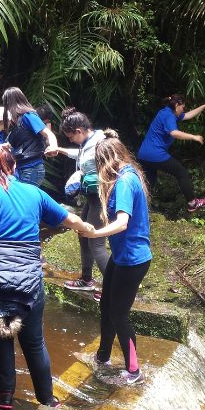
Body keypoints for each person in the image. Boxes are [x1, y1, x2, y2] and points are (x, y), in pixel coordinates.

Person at [0, 144, 92, 409]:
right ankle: (47, 399)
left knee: (1, 334)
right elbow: (70, 220)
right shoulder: (34, 192)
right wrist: (88, 227)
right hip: (27, 280)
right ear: (15, 167)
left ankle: (4, 395)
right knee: (34, 342)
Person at [80, 137, 152, 385]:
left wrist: (94, 233)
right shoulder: (129, 174)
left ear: (105, 161)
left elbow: (122, 223)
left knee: (119, 314)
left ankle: (134, 371)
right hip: (122, 257)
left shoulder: (124, 182)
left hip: (132, 260)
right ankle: (103, 357)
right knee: (106, 307)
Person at [56, 109, 111, 292]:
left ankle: (113, 288)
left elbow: (111, 171)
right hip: (92, 197)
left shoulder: (101, 142)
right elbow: (81, 156)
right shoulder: (88, 141)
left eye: (71, 136)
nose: (70, 140)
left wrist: (82, 177)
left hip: (101, 197)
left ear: (79, 131)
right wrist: (60, 150)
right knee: (83, 234)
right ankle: (87, 280)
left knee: (96, 241)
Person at [136, 95, 205, 212]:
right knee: (181, 173)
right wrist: (193, 137)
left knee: (149, 181)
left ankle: (139, 207)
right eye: (183, 107)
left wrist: (204, 106)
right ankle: (192, 203)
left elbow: (187, 115)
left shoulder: (165, 112)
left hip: (143, 154)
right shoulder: (169, 116)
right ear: (177, 105)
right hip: (156, 154)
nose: (184, 109)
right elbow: (174, 133)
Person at [2, 87, 59, 186]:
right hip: (21, 169)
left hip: (31, 168)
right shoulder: (17, 123)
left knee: (26, 200)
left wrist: (53, 147)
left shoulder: (28, 116)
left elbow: (48, 133)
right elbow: (20, 143)